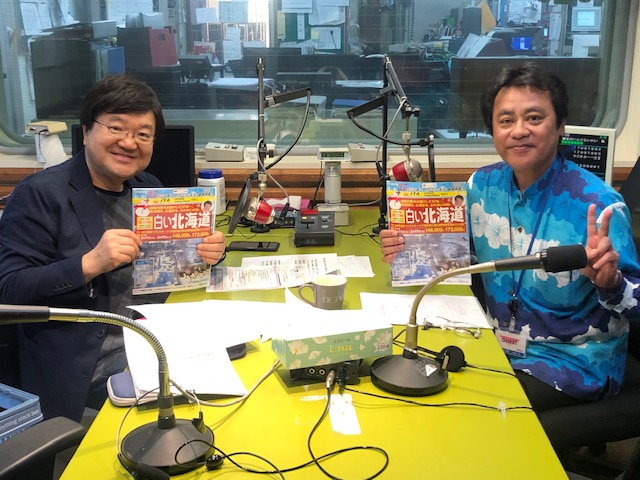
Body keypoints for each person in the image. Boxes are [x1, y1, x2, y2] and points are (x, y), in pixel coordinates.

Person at [380, 63, 640, 431]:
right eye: (506, 120)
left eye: (534, 118)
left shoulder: (598, 206)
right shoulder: (481, 186)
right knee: (407, 381)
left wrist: (610, 283)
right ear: (493, 130)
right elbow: (464, 259)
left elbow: (636, 303)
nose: (519, 130)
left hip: (571, 362)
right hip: (494, 345)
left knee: (458, 418)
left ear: (560, 125)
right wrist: (407, 248)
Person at [0, 75, 227, 421]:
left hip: (155, 335)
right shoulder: (40, 194)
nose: (129, 142)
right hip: (93, 364)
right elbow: (9, 290)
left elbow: (169, 264)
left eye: (143, 135)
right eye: (116, 128)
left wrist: (206, 251)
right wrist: (89, 264)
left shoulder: (146, 186)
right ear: (87, 131)